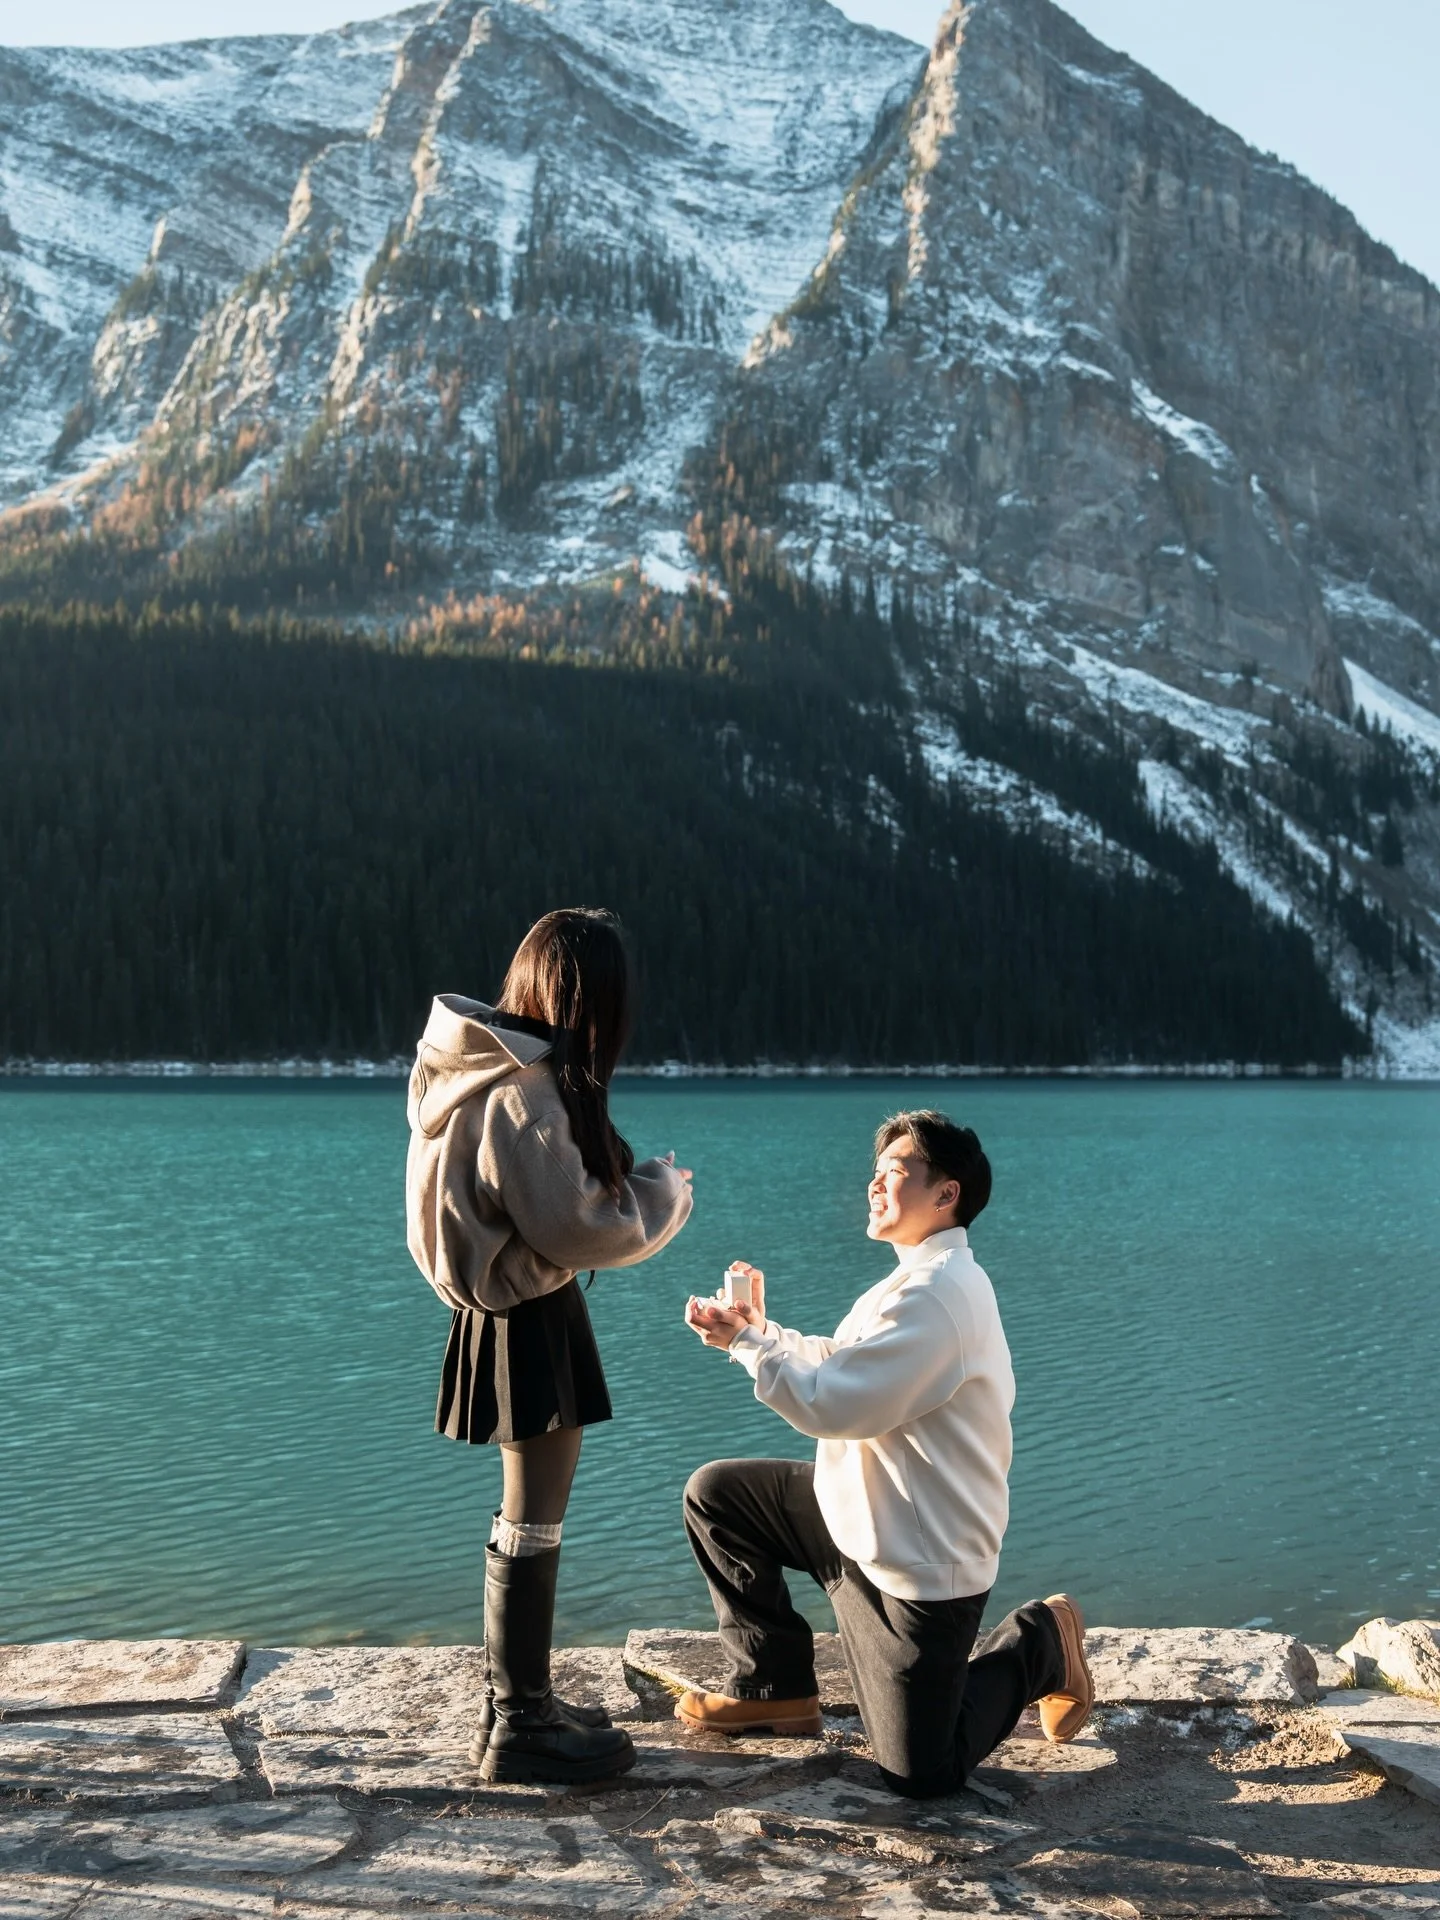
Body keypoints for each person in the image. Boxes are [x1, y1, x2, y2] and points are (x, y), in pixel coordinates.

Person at [679, 1108, 1092, 1799]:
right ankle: (771, 1687)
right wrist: (760, 1332)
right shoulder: (910, 1282)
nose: (873, 1186)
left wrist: (750, 1346)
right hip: (860, 1522)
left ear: (946, 1193)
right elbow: (845, 1366)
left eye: (893, 1173)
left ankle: (1043, 1641)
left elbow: (839, 1405)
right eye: (874, 1174)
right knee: (718, 1495)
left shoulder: (941, 1297)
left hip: (918, 1573)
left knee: (920, 1773)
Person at [405, 907, 693, 1785]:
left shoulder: (452, 1069)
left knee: (520, 1516)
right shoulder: (522, 1094)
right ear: (589, 997)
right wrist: (666, 1190)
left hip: (484, 1315)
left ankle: (515, 1706)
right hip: (529, 1320)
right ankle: (522, 1726)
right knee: (533, 1520)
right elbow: (581, 1227)